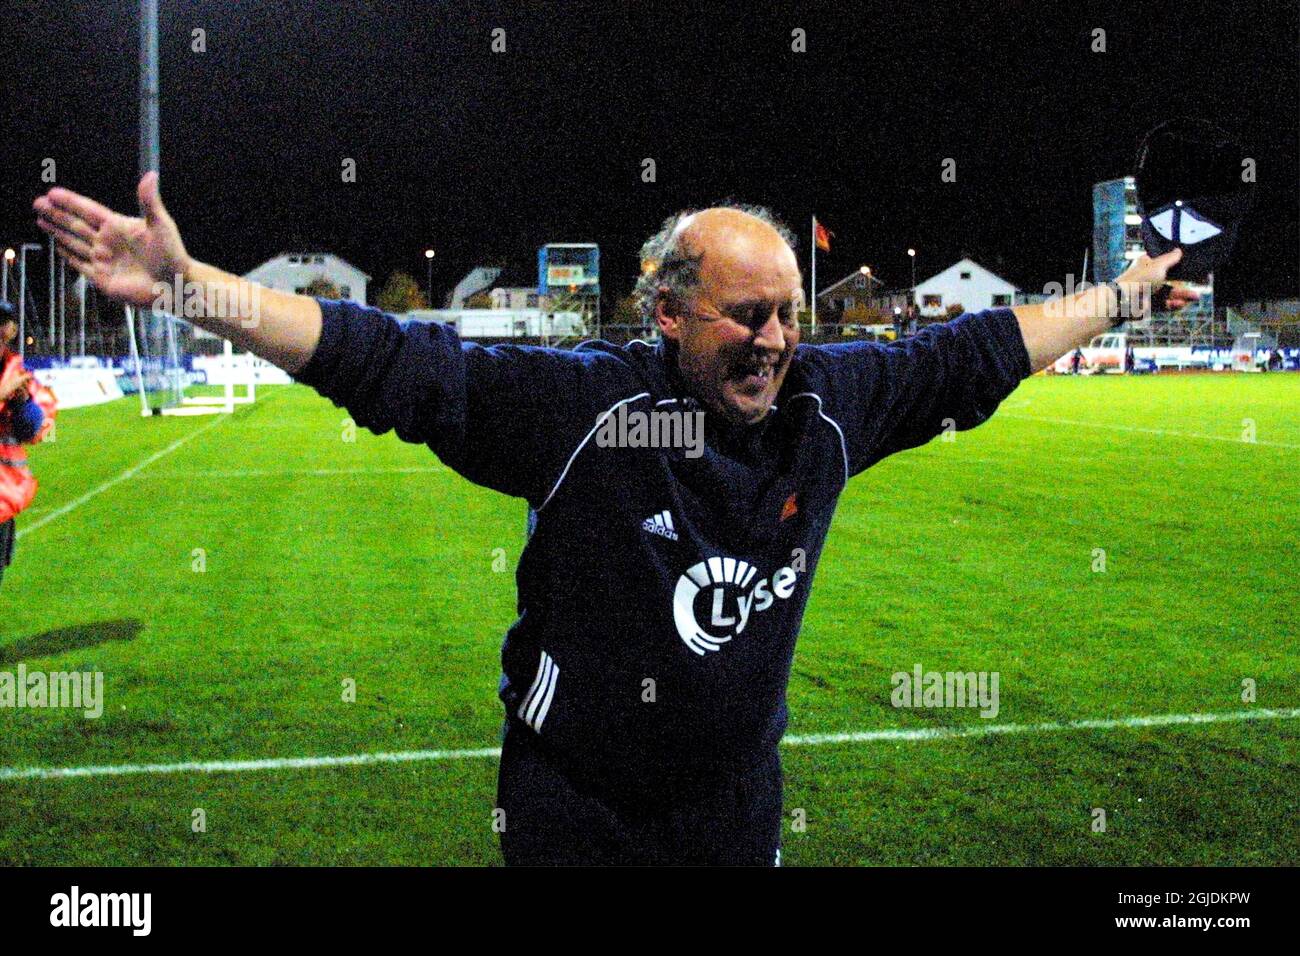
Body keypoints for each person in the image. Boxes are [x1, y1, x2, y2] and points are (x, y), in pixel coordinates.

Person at [32, 174, 1198, 865]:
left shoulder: (825, 409)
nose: (777, 339)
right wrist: (193, 289)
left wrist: (1127, 292)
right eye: (747, 315)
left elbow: (975, 353)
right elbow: (388, 361)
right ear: (671, 311)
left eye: (789, 314)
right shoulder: (588, 411)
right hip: (572, 803)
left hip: (735, 804)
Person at [0, 299, 57, 588]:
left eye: (2, 323)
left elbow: (32, 431)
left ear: (11, 330)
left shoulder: (17, 374)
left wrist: (23, 402)